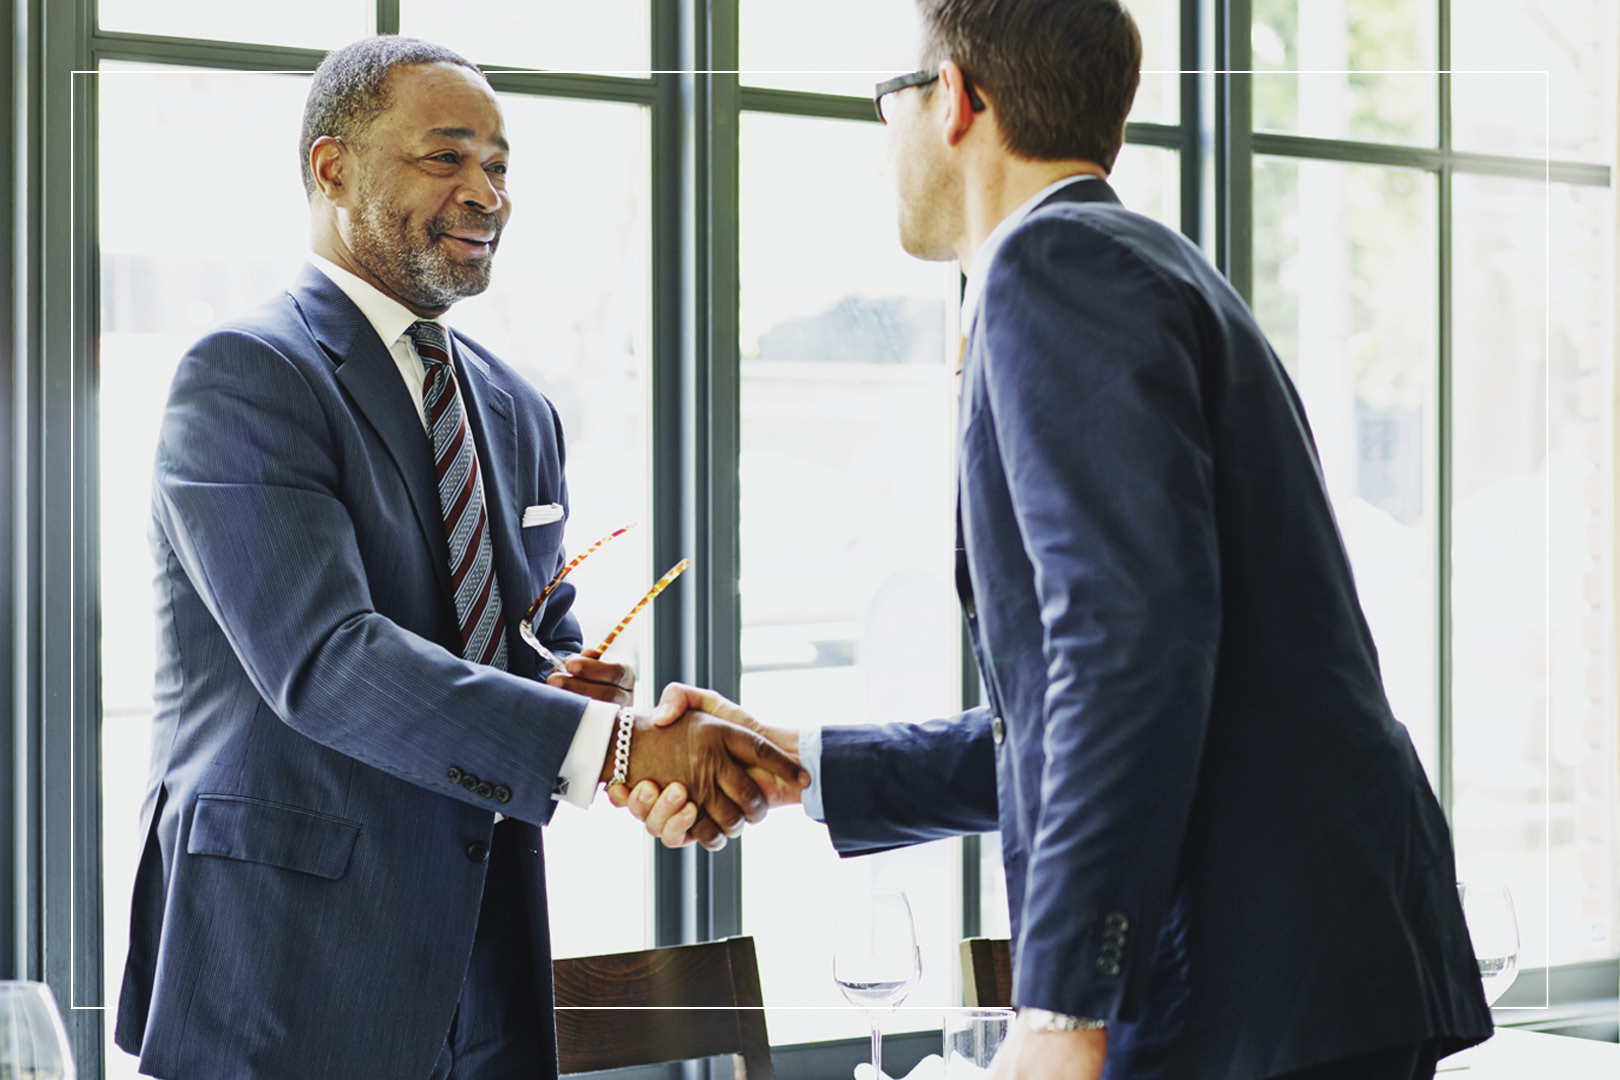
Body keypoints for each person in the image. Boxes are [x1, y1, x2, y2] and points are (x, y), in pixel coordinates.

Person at [624, 2, 1495, 1078]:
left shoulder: (1053, 268)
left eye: (889, 100)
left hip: (1240, 983)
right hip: (1305, 969)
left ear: (955, 97)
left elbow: (1127, 652)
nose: (887, 131)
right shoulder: (1148, 266)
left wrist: (1063, 1003)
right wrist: (806, 765)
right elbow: (1133, 694)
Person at [113, 35, 800, 1080]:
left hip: (485, 968)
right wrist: (615, 752)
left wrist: (593, 700)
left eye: (500, 164)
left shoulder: (518, 410)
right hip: (281, 973)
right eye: (446, 158)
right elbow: (326, 661)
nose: (486, 193)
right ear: (332, 167)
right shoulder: (247, 376)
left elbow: (535, 640)